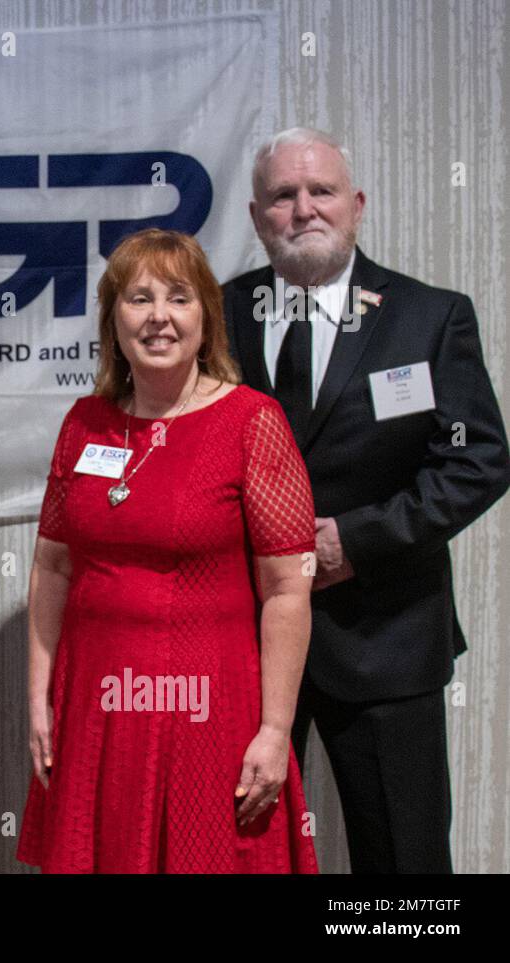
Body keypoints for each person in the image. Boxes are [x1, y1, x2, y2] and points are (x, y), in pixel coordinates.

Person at [222, 128, 510, 873]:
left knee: (403, 864)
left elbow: (477, 459)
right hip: (238, 641)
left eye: (321, 191)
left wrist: (355, 541)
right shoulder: (213, 319)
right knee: (234, 850)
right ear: (258, 216)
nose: (303, 209)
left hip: (387, 637)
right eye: (283, 195)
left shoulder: (429, 315)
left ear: (356, 207)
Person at [16, 229, 319, 873]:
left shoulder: (251, 421)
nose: (158, 316)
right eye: (138, 298)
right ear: (113, 322)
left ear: (206, 318)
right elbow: (52, 565)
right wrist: (39, 701)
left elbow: (287, 589)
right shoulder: (84, 423)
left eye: (178, 298)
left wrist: (275, 729)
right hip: (96, 709)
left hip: (212, 711)